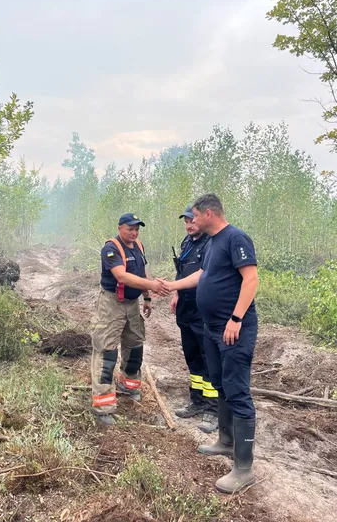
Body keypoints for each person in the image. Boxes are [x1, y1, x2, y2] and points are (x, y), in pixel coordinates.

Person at [164, 194, 259, 493]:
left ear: (208, 213)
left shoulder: (235, 238)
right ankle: (226, 440)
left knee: (237, 389)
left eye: (194, 215)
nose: (191, 220)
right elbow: (202, 275)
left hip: (233, 329)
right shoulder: (212, 242)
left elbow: (251, 279)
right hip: (212, 328)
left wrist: (236, 318)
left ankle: (244, 468)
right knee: (218, 381)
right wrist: (172, 285)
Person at [91, 213, 169, 426]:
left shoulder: (138, 246)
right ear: (119, 228)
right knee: (107, 353)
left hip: (133, 304)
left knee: (135, 347)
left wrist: (147, 296)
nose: (134, 232)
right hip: (111, 305)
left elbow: (141, 271)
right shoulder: (111, 249)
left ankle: (129, 385)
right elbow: (122, 276)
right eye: (129, 228)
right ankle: (103, 406)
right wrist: (152, 284)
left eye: (137, 229)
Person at [171, 205, 218, 433]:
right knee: (191, 355)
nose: (189, 225)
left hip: (203, 308)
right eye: (186, 221)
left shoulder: (211, 243)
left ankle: (213, 409)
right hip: (185, 307)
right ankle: (197, 401)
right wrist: (176, 293)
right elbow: (181, 270)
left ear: (201, 219)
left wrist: (173, 286)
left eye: (192, 220)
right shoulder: (186, 242)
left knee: (208, 356)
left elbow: (202, 276)